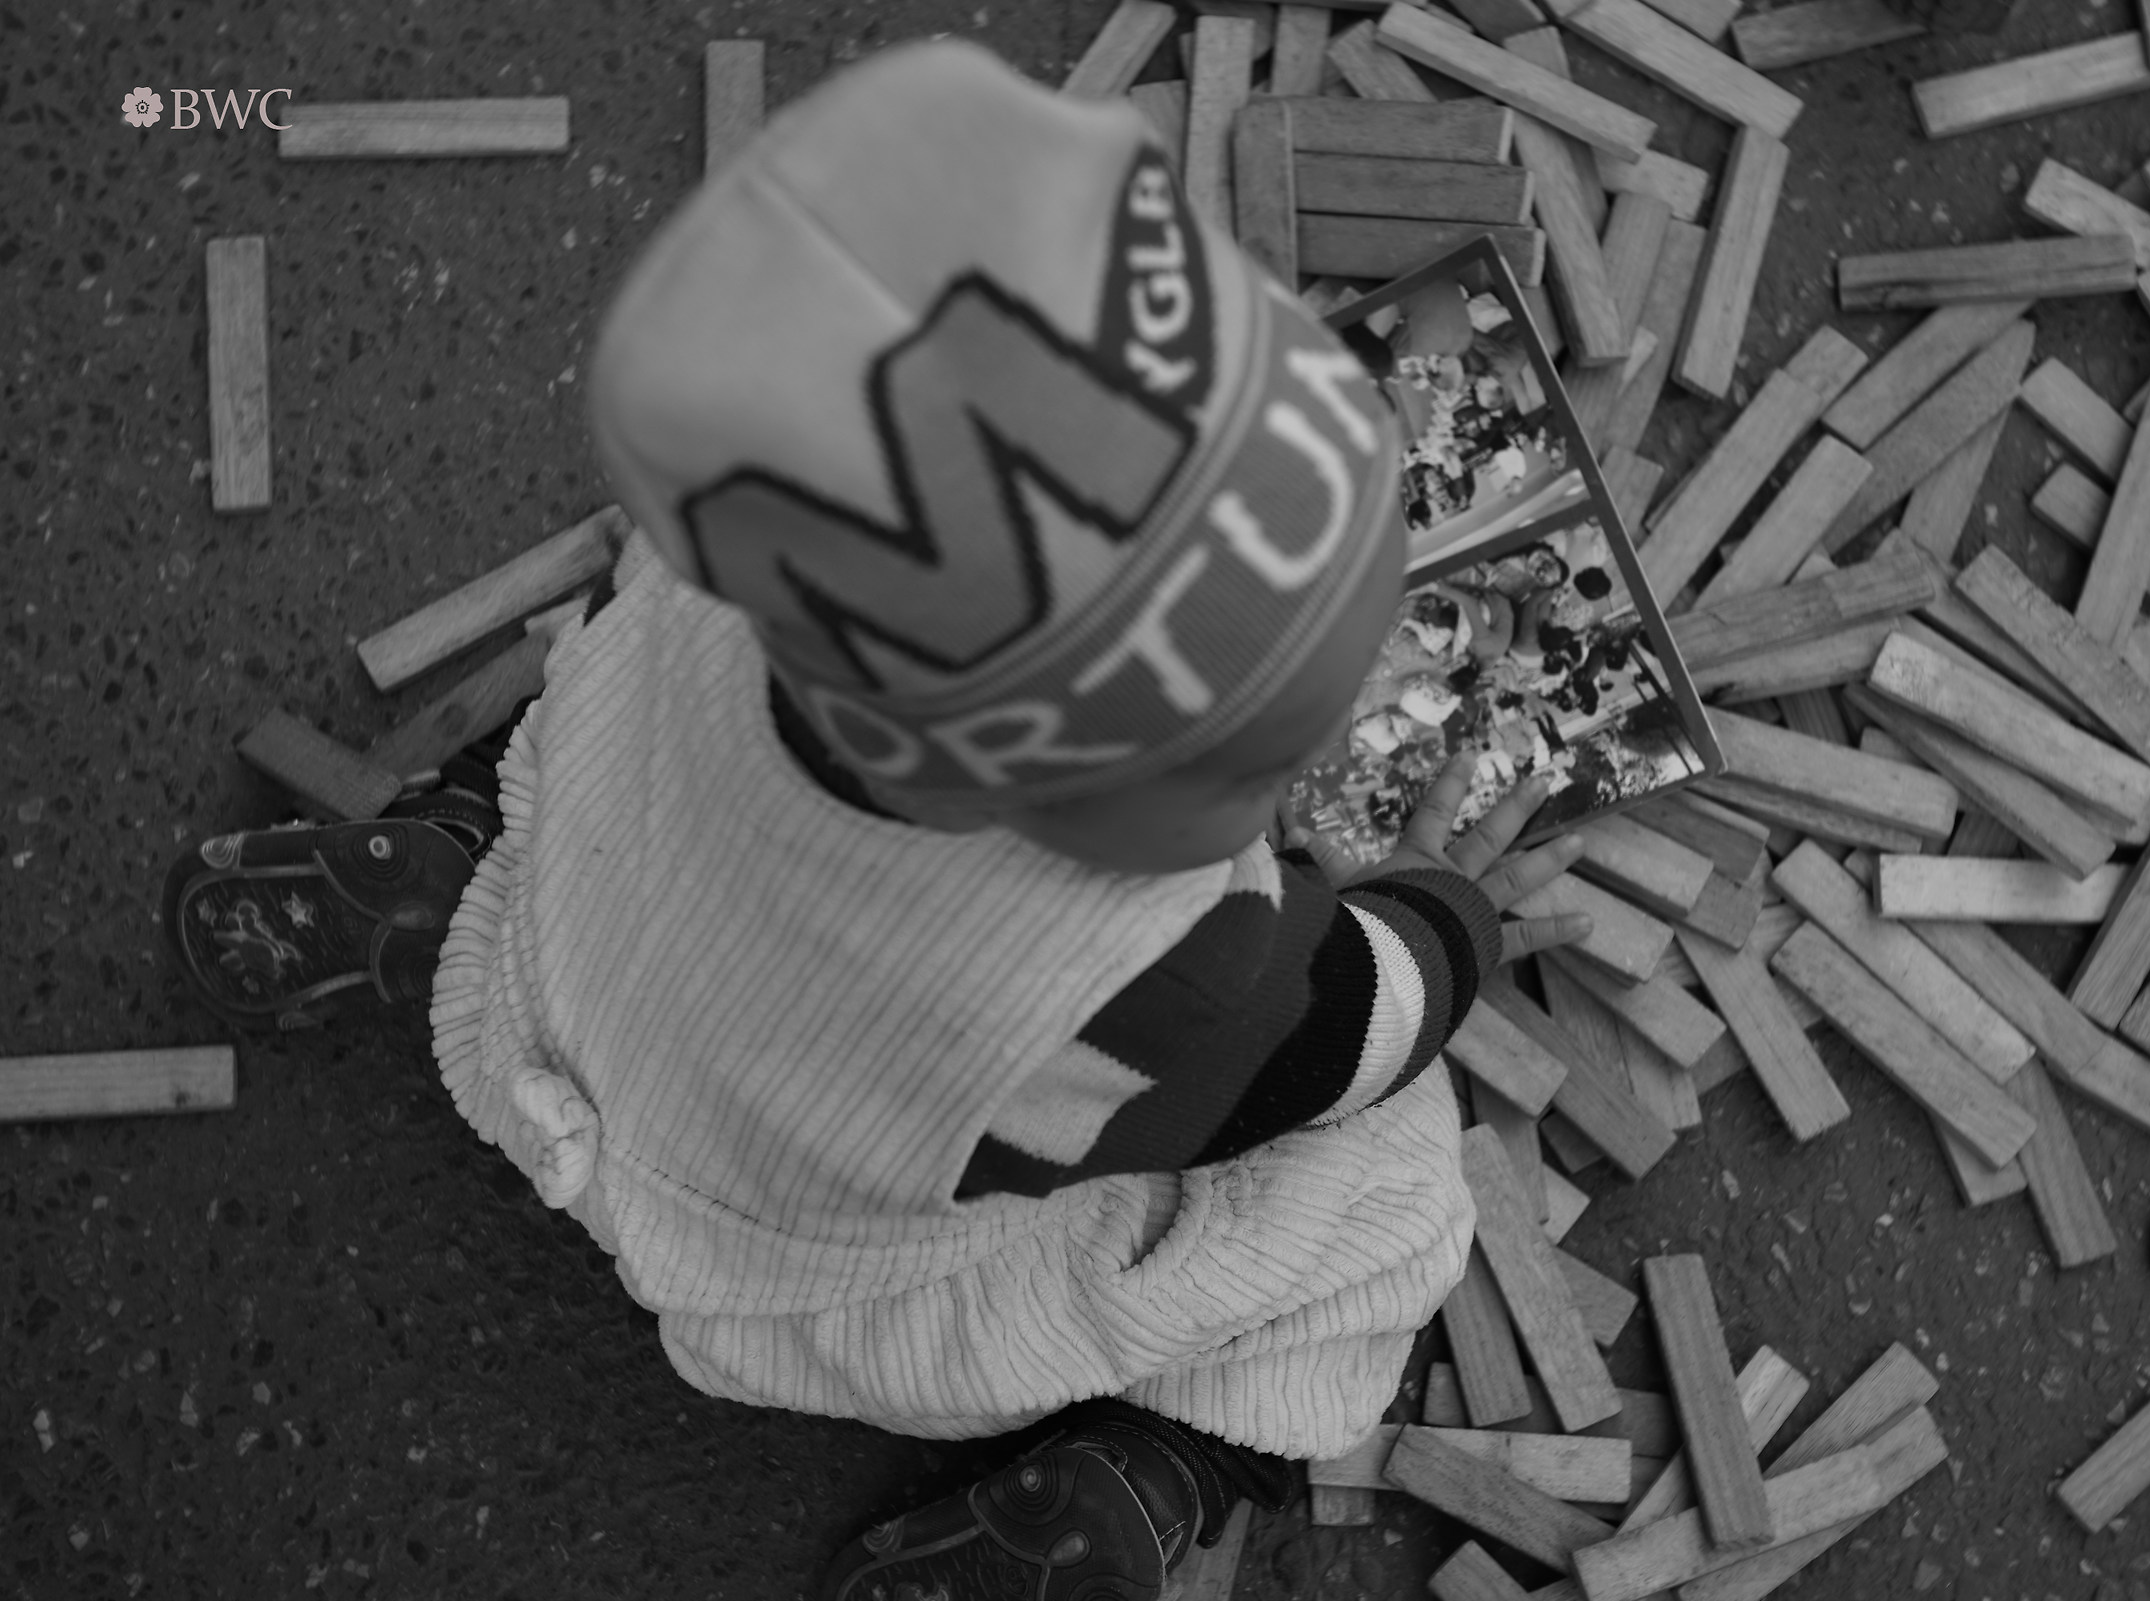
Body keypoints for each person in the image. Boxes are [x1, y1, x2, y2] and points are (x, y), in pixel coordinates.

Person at [159, 41, 1597, 1601]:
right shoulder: (1166, 973)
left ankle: (429, 877)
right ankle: (1145, 1471)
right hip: (794, 1280)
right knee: (1383, 1218)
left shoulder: (733, 563)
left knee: (569, 721)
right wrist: (1446, 904)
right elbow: (1349, 1035)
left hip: (544, 1000)